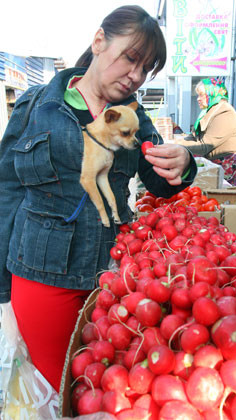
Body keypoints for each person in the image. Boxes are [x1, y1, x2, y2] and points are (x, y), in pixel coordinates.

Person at [0, 5, 197, 393]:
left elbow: (160, 184)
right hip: (41, 275)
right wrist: (1, 290)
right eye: (131, 58)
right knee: (50, 390)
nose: (136, 76)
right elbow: (6, 191)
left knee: (104, 391)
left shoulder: (134, 116)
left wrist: (185, 164)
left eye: (146, 69)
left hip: (112, 276)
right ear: (99, 41)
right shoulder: (35, 107)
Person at [175, 78, 236, 187]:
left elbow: (205, 146)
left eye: (201, 95)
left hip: (229, 170)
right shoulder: (209, 111)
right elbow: (193, 137)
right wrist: (174, 142)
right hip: (217, 168)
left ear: (212, 94)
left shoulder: (224, 113)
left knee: (227, 202)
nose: (198, 99)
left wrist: (176, 146)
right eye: (198, 95)